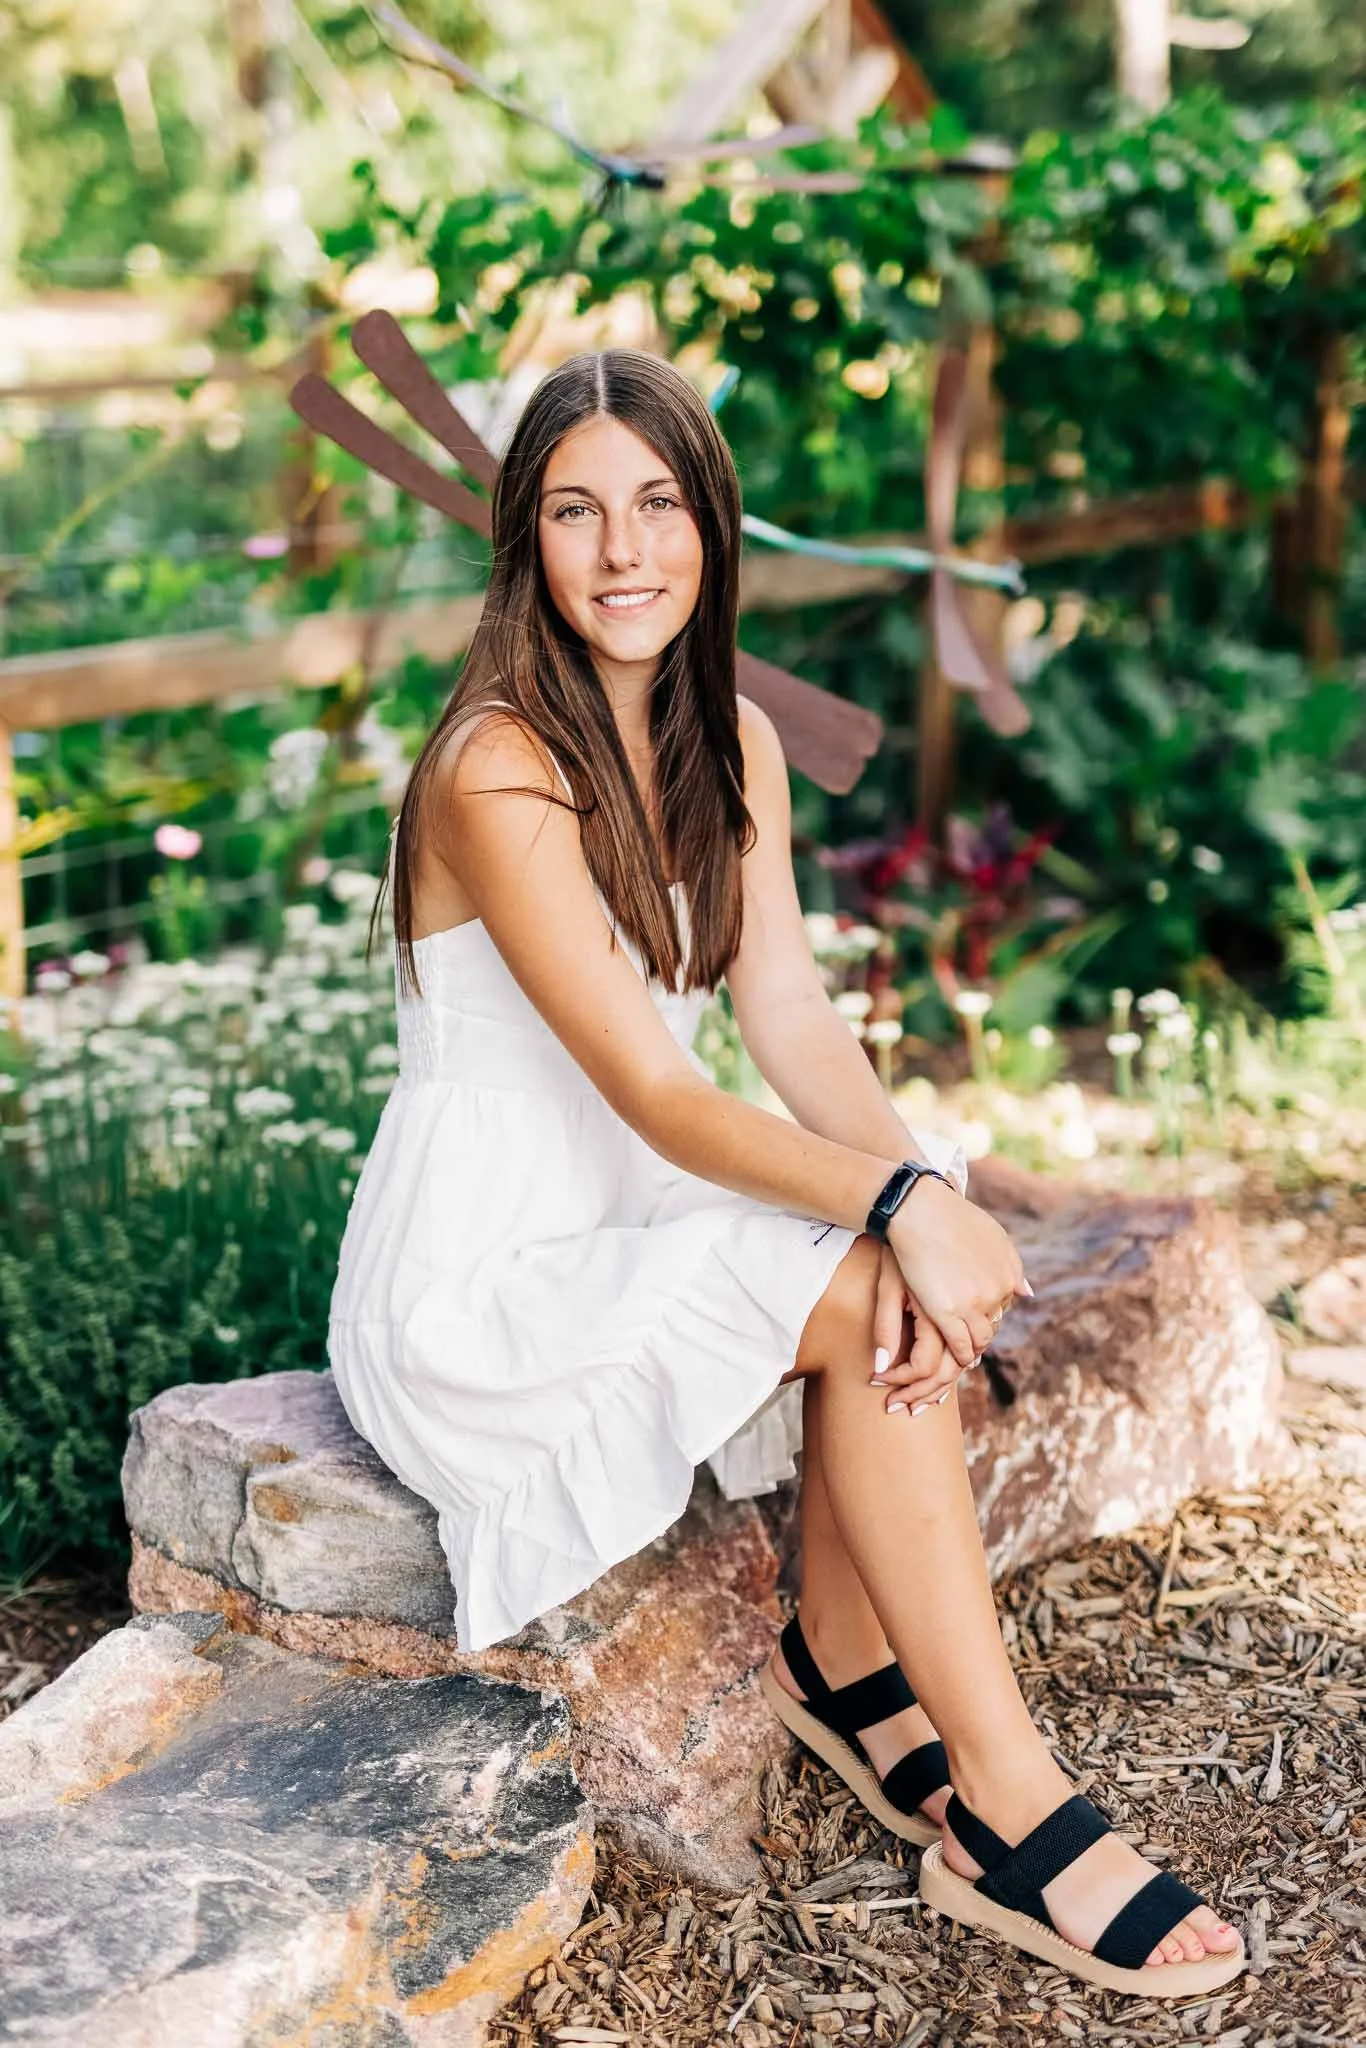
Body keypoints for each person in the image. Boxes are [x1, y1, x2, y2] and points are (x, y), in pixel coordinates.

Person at [326, 347, 1245, 1998]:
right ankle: (1008, 1803)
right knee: (876, 1247)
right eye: (575, 510)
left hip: (634, 1201)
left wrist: (927, 1188)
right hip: (489, 1272)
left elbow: (793, 1021)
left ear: (711, 523)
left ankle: (839, 1650)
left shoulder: (726, 738)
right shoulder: (493, 764)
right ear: (525, 543)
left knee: (908, 1206)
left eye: (659, 504)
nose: (622, 552)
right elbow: (660, 1094)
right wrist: (896, 1212)